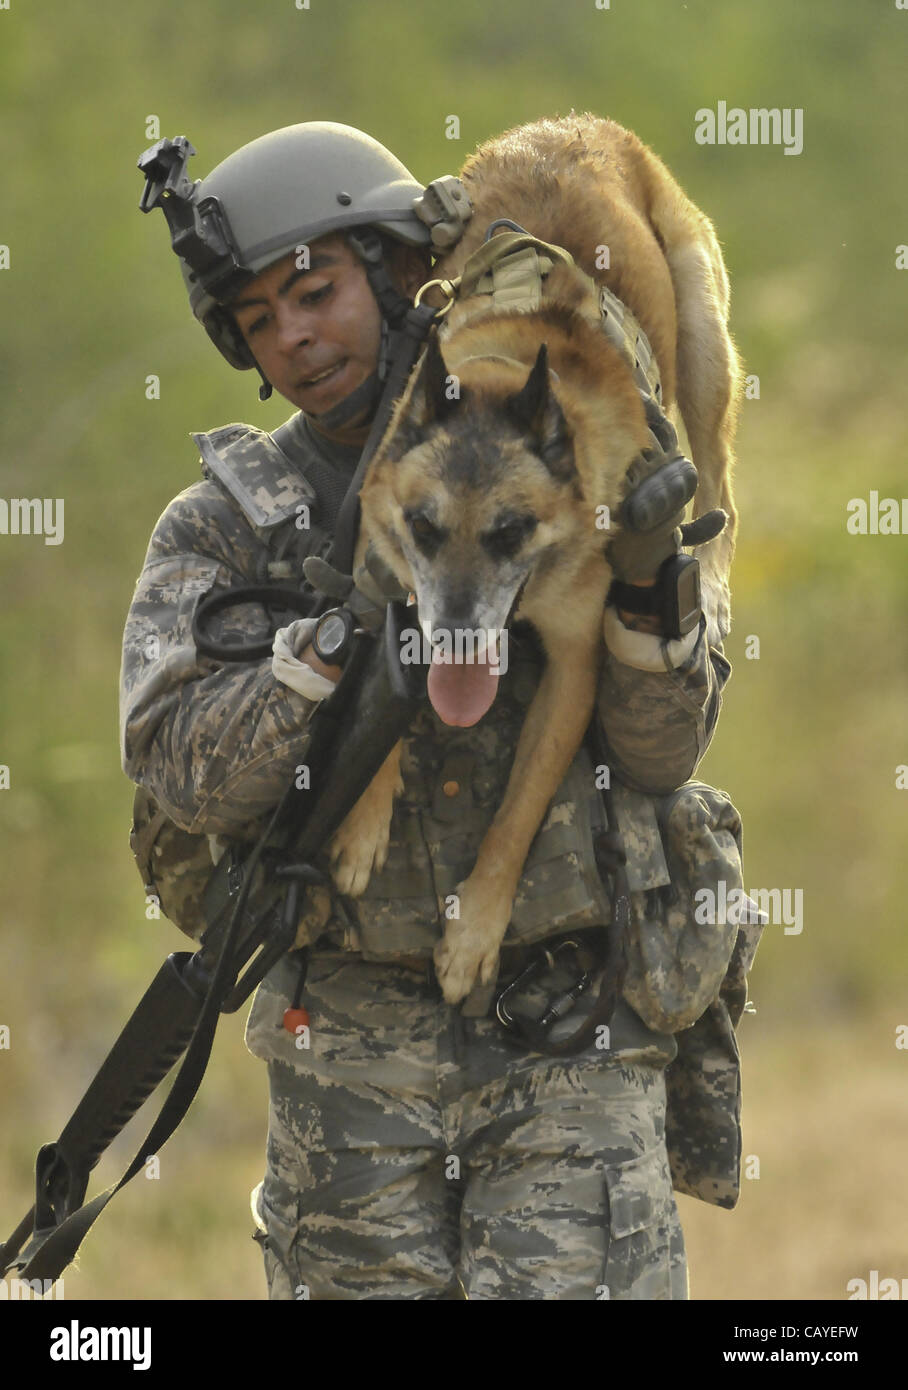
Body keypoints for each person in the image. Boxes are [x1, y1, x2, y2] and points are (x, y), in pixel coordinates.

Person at [121, 120, 760, 1301]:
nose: (297, 335)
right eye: (261, 320)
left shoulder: (582, 430)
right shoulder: (226, 524)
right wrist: (323, 656)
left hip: (571, 1027)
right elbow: (180, 769)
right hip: (348, 1049)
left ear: (389, 272)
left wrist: (648, 580)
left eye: (314, 292)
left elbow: (662, 751)